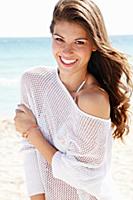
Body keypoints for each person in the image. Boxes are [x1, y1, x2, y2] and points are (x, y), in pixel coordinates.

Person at [14, 0, 133, 200]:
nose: (67, 51)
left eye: (79, 42)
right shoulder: (33, 81)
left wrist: (32, 132)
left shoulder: (93, 99)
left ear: (94, 44)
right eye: (59, 39)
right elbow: (29, 150)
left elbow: (82, 176)